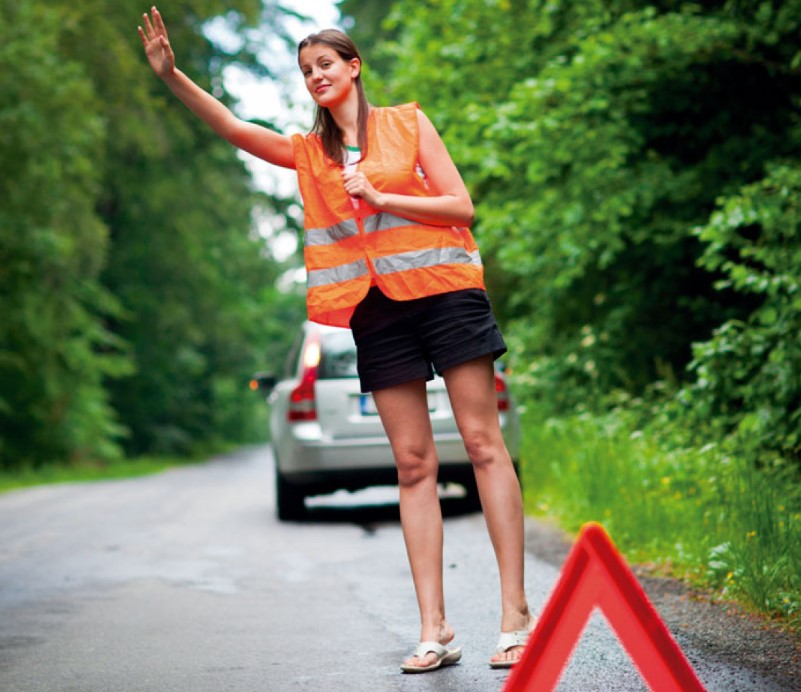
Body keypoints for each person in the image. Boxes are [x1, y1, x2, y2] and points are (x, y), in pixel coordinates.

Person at [138, 6, 534, 673]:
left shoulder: (407, 123)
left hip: (446, 293)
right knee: (412, 466)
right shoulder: (309, 154)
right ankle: (434, 627)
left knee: (482, 445)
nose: (315, 76)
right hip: (376, 312)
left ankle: (514, 614)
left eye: (324, 64)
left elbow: (459, 207)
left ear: (352, 67)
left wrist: (382, 195)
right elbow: (234, 127)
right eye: (305, 71)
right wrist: (173, 76)